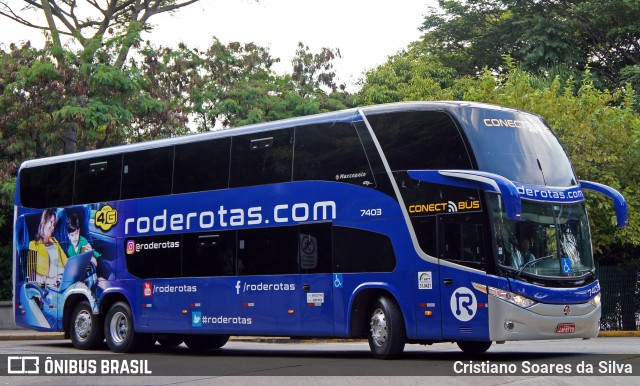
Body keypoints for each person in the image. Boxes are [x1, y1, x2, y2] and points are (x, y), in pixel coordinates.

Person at [29, 209, 68, 288]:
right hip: (50, 285)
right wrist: (50, 280)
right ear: (44, 222)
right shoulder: (34, 244)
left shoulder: (55, 241)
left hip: (63, 279)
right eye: (51, 222)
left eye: (54, 224)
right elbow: (30, 276)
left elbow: (67, 262)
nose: (53, 227)